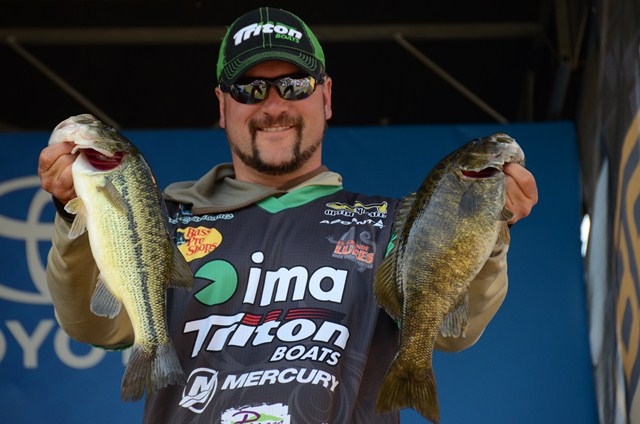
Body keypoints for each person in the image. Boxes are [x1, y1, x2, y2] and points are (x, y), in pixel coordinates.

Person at [38, 6, 538, 424]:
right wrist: (72, 209)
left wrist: (489, 224)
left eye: (294, 85)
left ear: (326, 96)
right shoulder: (161, 220)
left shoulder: (394, 225)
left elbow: (452, 330)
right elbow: (92, 325)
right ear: (222, 106)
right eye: (250, 89)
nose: (273, 105)